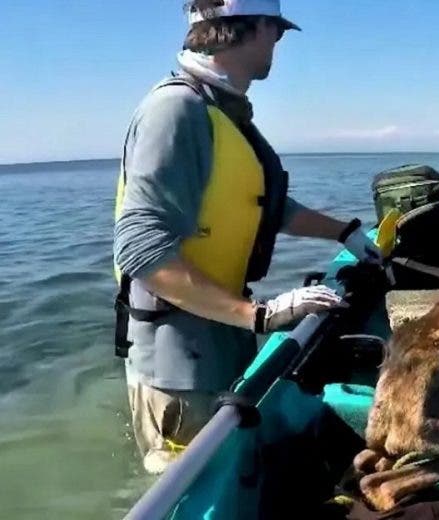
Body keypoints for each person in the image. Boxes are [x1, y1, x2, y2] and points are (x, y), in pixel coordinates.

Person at [112, 0, 384, 474]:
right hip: (181, 365)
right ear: (249, 28)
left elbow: (261, 207)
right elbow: (140, 248)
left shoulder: (222, 110)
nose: (277, 45)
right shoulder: (176, 110)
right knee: (197, 488)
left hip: (222, 337)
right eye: (275, 31)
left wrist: (345, 232)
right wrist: (259, 315)